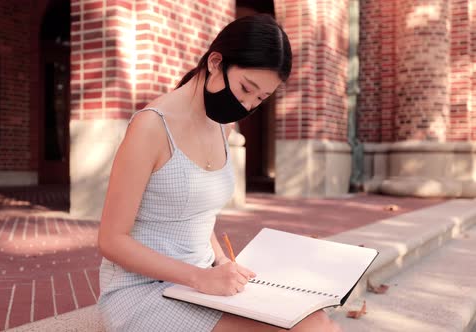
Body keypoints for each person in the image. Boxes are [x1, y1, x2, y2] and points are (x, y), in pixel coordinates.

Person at [97, 14, 343, 332]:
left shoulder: (223, 125)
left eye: (260, 98)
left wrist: (221, 262)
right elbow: (111, 241)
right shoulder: (151, 127)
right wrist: (200, 277)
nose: (246, 104)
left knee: (318, 322)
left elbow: (198, 214)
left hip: (201, 282)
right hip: (142, 291)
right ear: (215, 62)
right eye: (246, 88)